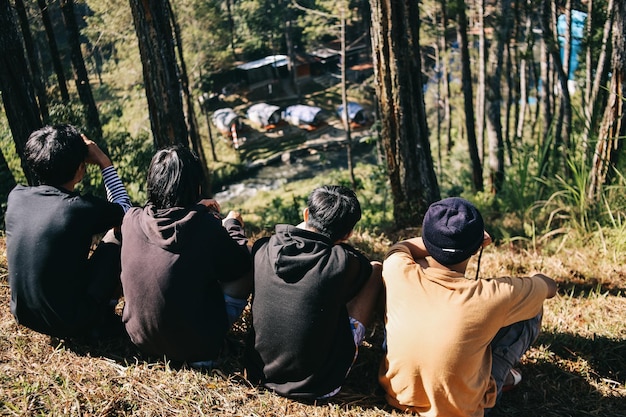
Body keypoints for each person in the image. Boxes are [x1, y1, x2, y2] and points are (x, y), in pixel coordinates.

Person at [379, 197, 557, 417]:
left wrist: (441, 238)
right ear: (477, 248)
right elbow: (549, 287)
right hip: (462, 409)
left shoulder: (398, 269)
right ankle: (497, 376)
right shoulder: (495, 295)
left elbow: (404, 246)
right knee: (531, 310)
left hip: (398, 397)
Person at [246, 185, 383, 399]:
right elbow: (364, 272)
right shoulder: (343, 263)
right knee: (375, 270)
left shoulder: (263, 248)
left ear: (306, 214)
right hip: (319, 385)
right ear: (348, 234)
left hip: (257, 373)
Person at [120, 145, 252, 366]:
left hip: (140, 341)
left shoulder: (132, 219)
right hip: (198, 349)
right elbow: (239, 263)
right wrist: (231, 224)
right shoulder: (204, 228)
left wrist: (196, 208)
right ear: (197, 186)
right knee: (249, 260)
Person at [5, 124, 131, 338]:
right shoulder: (77, 208)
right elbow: (126, 211)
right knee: (117, 236)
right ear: (80, 169)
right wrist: (104, 162)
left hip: (24, 315)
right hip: (73, 323)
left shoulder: (16, 197)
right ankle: (102, 315)